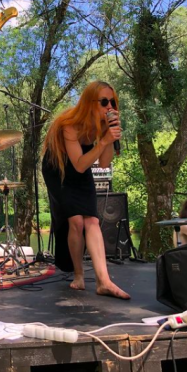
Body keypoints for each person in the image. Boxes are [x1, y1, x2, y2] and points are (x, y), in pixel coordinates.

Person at [42, 80, 130, 299]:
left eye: (113, 102)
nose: (110, 107)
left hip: (81, 168)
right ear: (90, 102)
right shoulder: (69, 124)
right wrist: (103, 142)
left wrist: (108, 138)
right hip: (58, 169)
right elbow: (79, 165)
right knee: (76, 221)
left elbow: (104, 163)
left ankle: (104, 281)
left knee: (92, 220)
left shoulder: (103, 125)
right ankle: (78, 275)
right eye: (104, 102)